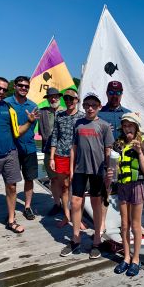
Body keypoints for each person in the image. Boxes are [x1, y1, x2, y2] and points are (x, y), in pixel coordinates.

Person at [0, 77, 39, 241]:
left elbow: (17, 131)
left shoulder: (8, 107)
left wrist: (29, 122)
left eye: (4, 90)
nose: (1, 92)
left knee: (12, 187)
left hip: (10, 154)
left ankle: (11, 220)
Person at [60, 92, 114, 258]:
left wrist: (109, 171)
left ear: (99, 107)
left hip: (97, 171)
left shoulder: (104, 126)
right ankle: (75, 239)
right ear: (83, 106)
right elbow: (73, 147)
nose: (90, 108)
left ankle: (96, 240)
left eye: (93, 105)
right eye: (87, 105)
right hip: (79, 170)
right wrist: (70, 169)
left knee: (96, 204)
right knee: (75, 203)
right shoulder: (78, 124)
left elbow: (108, 150)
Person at [99, 81, 144, 238]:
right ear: (107, 93)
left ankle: (136, 224)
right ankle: (102, 223)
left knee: (131, 193)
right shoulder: (100, 114)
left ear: (121, 94)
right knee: (106, 190)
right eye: (111, 92)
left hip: (129, 159)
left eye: (117, 93)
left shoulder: (129, 113)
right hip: (108, 158)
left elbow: (139, 133)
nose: (114, 96)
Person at [109, 113, 144, 277]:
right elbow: (113, 171)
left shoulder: (143, 144)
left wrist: (139, 152)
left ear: (136, 127)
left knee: (135, 225)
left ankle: (136, 259)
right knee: (124, 225)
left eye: (130, 125)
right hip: (122, 186)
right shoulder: (117, 144)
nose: (127, 128)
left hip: (137, 186)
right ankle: (126, 257)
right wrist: (111, 168)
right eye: (125, 125)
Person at [50, 89, 84, 227]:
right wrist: (52, 157)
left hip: (78, 156)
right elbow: (54, 136)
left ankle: (79, 219)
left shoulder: (83, 117)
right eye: (66, 99)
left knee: (78, 189)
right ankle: (66, 216)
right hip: (61, 155)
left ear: (77, 100)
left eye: (72, 98)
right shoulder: (59, 115)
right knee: (64, 187)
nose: (69, 101)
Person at [5, 76, 38, 220]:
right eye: (21, 85)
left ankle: (27, 207)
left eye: (26, 86)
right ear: (14, 86)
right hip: (11, 149)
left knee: (29, 179)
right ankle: (10, 211)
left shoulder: (33, 105)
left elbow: (34, 128)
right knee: (10, 182)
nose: (23, 88)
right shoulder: (6, 104)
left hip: (29, 148)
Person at [38, 87, 65, 215]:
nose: (53, 99)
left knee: (65, 181)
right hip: (48, 151)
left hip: (64, 152)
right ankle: (57, 204)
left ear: (59, 97)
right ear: (48, 99)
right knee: (53, 179)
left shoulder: (66, 112)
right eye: (51, 97)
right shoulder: (42, 112)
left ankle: (67, 207)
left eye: (55, 96)